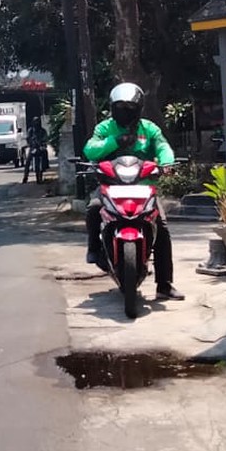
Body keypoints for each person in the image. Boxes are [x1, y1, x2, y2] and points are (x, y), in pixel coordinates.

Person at [83, 82, 182, 301]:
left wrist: (167, 163)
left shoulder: (149, 129)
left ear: (139, 108)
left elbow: (163, 146)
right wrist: (114, 141)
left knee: (162, 228)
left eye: (129, 108)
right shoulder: (105, 128)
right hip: (110, 185)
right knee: (93, 208)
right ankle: (94, 248)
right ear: (112, 108)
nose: (125, 112)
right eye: (120, 108)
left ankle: (164, 284)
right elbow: (90, 149)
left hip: (143, 187)